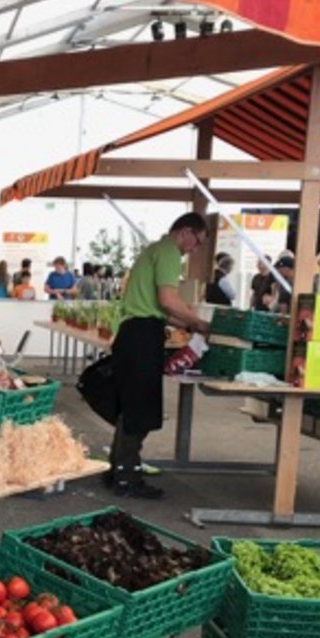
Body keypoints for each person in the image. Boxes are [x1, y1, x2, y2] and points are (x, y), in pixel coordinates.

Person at [109, 212, 211, 499]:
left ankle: (117, 470)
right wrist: (199, 323)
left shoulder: (153, 249)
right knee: (140, 408)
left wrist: (187, 324)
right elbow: (169, 301)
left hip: (134, 331)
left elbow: (159, 309)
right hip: (142, 336)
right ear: (186, 232)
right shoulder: (168, 252)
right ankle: (128, 477)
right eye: (197, 242)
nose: (193, 250)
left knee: (130, 406)